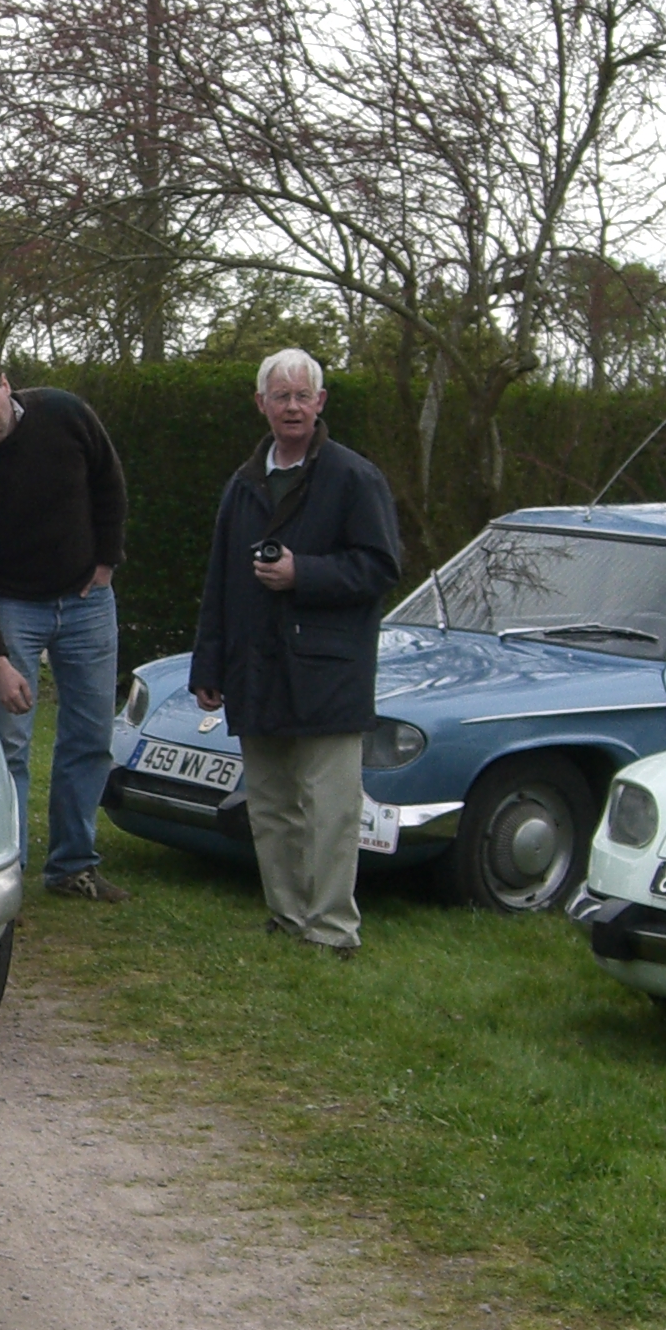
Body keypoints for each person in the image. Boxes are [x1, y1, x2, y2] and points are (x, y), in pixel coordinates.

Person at [190, 347, 401, 955]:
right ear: (261, 405)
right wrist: (210, 663)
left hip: (329, 675)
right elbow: (220, 582)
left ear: (320, 403)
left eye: (302, 396)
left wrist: (302, 573)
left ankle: (333, 931)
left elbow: (380, 567)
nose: (291, 407)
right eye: (280, 396)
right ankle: (286, 919)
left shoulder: (354, 477)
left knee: (332, 813)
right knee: (273, 807)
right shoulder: (244, 483)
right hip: (257, 670)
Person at [0, 348, 130, 903]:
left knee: (91, 737)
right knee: (7, 745)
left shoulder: (65, 415)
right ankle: (5, 873)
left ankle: (73, 866)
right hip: (11, 606)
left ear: (6, 385)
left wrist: (107, 560)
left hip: (87, 600)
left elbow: (108, 484)